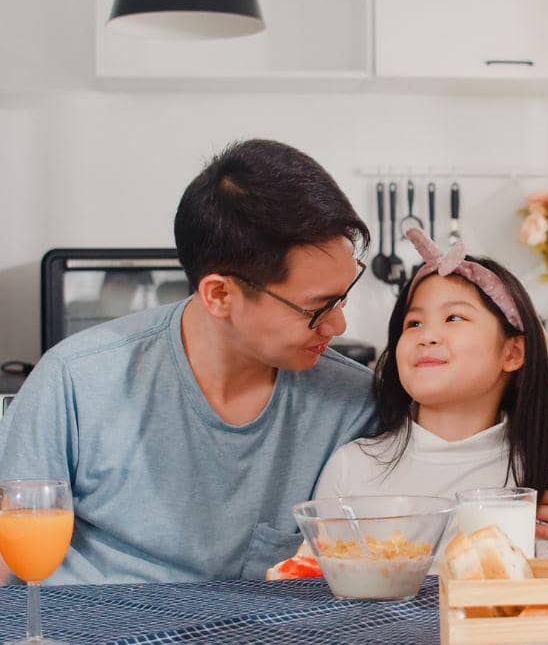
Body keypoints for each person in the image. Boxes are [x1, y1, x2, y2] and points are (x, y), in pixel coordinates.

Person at [0, 139, 377, 584]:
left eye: (344, 297)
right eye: (317, 307)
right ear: (219, 294)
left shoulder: (351, 402)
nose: (338, 325)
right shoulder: (74, 381)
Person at [311, 228, 548, 557]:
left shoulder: (544, 475)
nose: (427, 335)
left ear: (513, 353)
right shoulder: (352, 468)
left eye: (453, 317)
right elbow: (319, 587)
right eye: (413, 323)